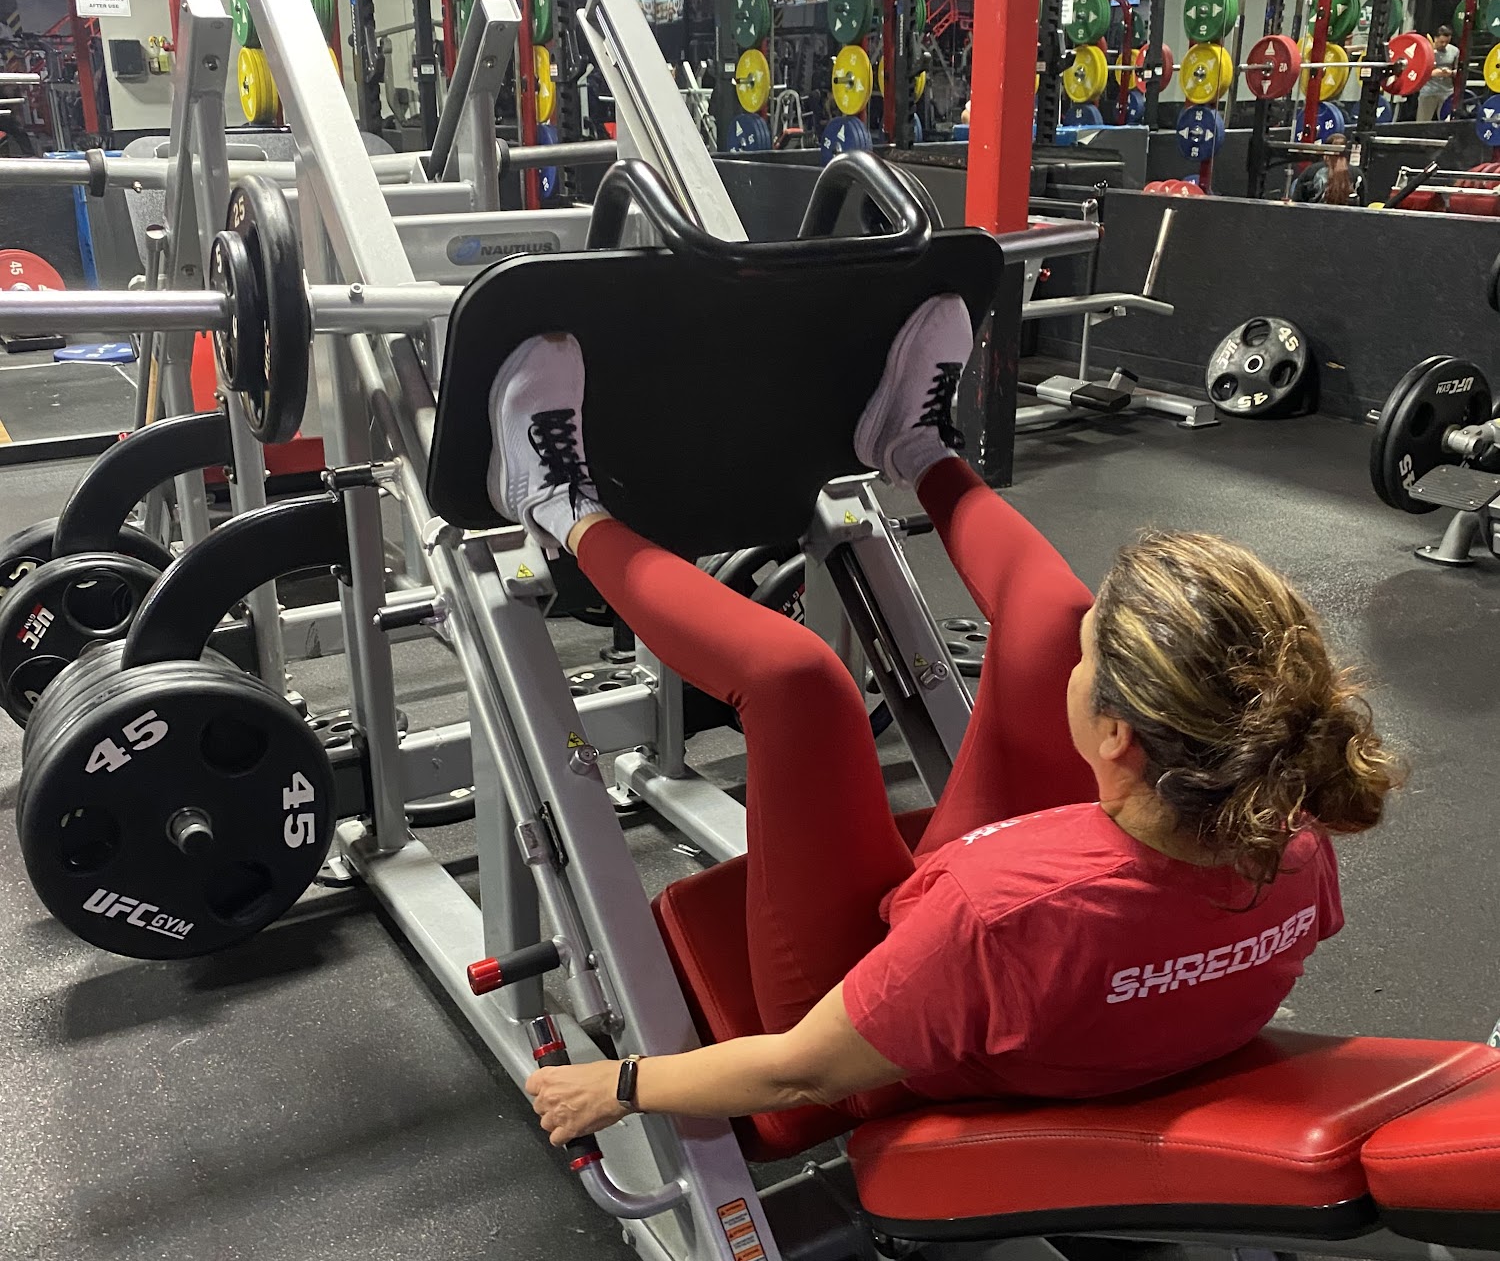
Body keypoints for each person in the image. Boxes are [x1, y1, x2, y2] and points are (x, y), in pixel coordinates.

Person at [486, 305, 1400, 1149]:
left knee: (798, 682)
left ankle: (557, 505)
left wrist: (620, 1085)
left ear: (1119, 737)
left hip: (888, 1064)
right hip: (1025, 967)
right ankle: (914, 447)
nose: (1075, 669)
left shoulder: (994, 911)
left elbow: (801, 1071)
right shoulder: (1289, 833)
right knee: (1048, 613)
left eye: (1089, 665)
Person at [1291, 132, 1363, 207]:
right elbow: (1364, 206)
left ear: (1325, 150)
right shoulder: (1357, 174)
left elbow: (1296, 203)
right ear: (1347, 152)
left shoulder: (1310, 171)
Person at [1417, 24, 1457, 121]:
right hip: (1428, 92)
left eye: (1447, 42)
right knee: (1422, 123)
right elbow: (1417, 71)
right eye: (1441, 42)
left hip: (1447, 93)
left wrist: (1450, 73)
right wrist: (1432, 73)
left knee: (1446, 123)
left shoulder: (1455, 51)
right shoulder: (1425, 50)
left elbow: (1459, 71)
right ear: (1435, 38)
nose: (1444, 44)